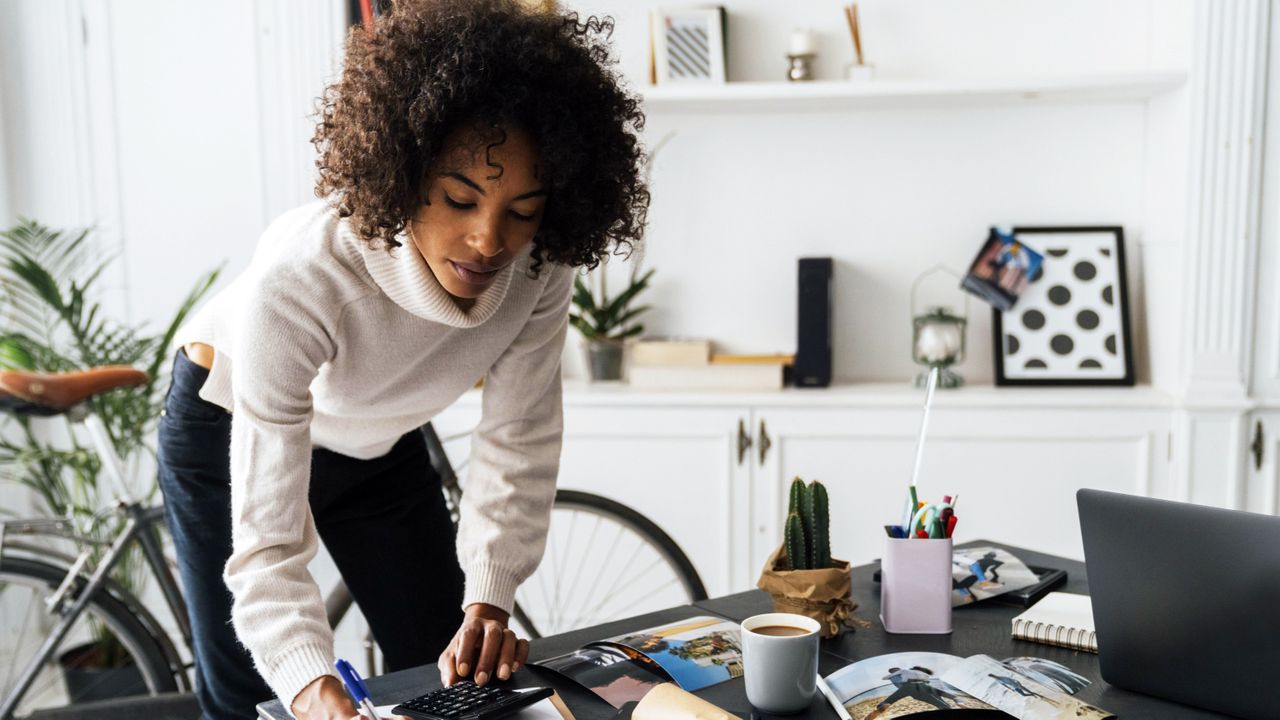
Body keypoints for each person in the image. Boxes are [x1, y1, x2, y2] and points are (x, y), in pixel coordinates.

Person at [155, 2, 648, 718]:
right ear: (404, 170)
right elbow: (267, 549)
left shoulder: (541, 267)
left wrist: (489, 596)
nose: (488, 240)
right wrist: (316, 689)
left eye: (523, 208)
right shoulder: (300, 281)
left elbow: (520, 435)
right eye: (458, 197)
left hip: (375, 436)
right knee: (255, 697)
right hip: (225, 415)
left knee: (447, 660)